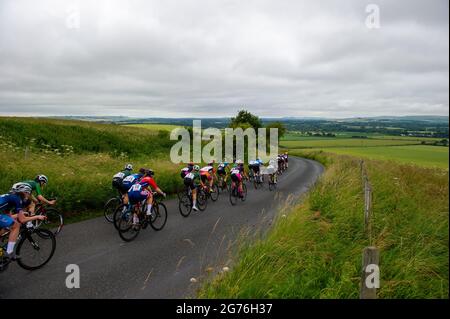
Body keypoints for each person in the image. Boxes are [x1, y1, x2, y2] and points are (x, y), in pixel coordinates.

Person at [0, 183, 46, 259]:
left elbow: (9, 216)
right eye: (28, 193)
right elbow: (22, 220)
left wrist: (19, 214)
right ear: (24, 192)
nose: (28, 196)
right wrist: (37, 216)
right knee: (16, 225)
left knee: (3, 229)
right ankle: (9, 253)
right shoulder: (17, 199)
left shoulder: (10, 197)